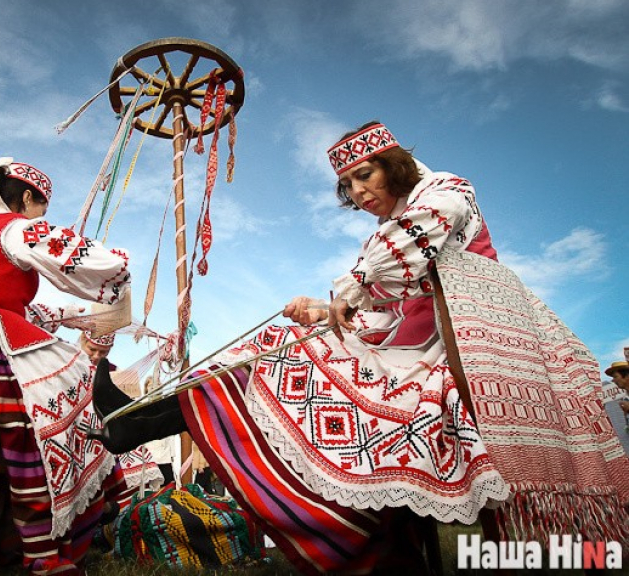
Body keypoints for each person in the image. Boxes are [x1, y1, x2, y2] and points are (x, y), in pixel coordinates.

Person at [93, 122, 628, 574]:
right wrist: (326, 313)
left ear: (392, 165)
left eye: (363, 175)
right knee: (278, 345)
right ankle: (137, 422)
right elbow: (380, 309)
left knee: (287, 356)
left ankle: (136, 424)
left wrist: (345, 294)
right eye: (348, 186)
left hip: (463, 354)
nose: (358, 192)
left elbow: (405, 250)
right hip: (408, 353)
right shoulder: (385, 234)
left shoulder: (447, 192)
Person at [0, 157, 131, 575]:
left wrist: (67, 316)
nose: (41, 217)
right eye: (41, 208)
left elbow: (7, 300)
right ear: (26, 198)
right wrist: (120, 268)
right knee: (77, 392)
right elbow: (89, 261)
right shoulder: (14, 227)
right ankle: (54, 541)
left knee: (69, 384)